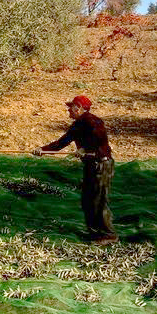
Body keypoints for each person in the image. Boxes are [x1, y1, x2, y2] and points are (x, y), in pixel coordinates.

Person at [33, 95, 118, 245]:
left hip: (101, 165)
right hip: (91, 165)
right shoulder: (77, 125)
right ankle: (95, 233)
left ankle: (109, 235)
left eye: (70, 107)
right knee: (87, 200)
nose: (68, 110)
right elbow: (61, 143)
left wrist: (85, 148)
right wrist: (42, 150)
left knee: (98, 200)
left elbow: (100, 140)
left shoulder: (93, 121)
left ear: (78, 108)